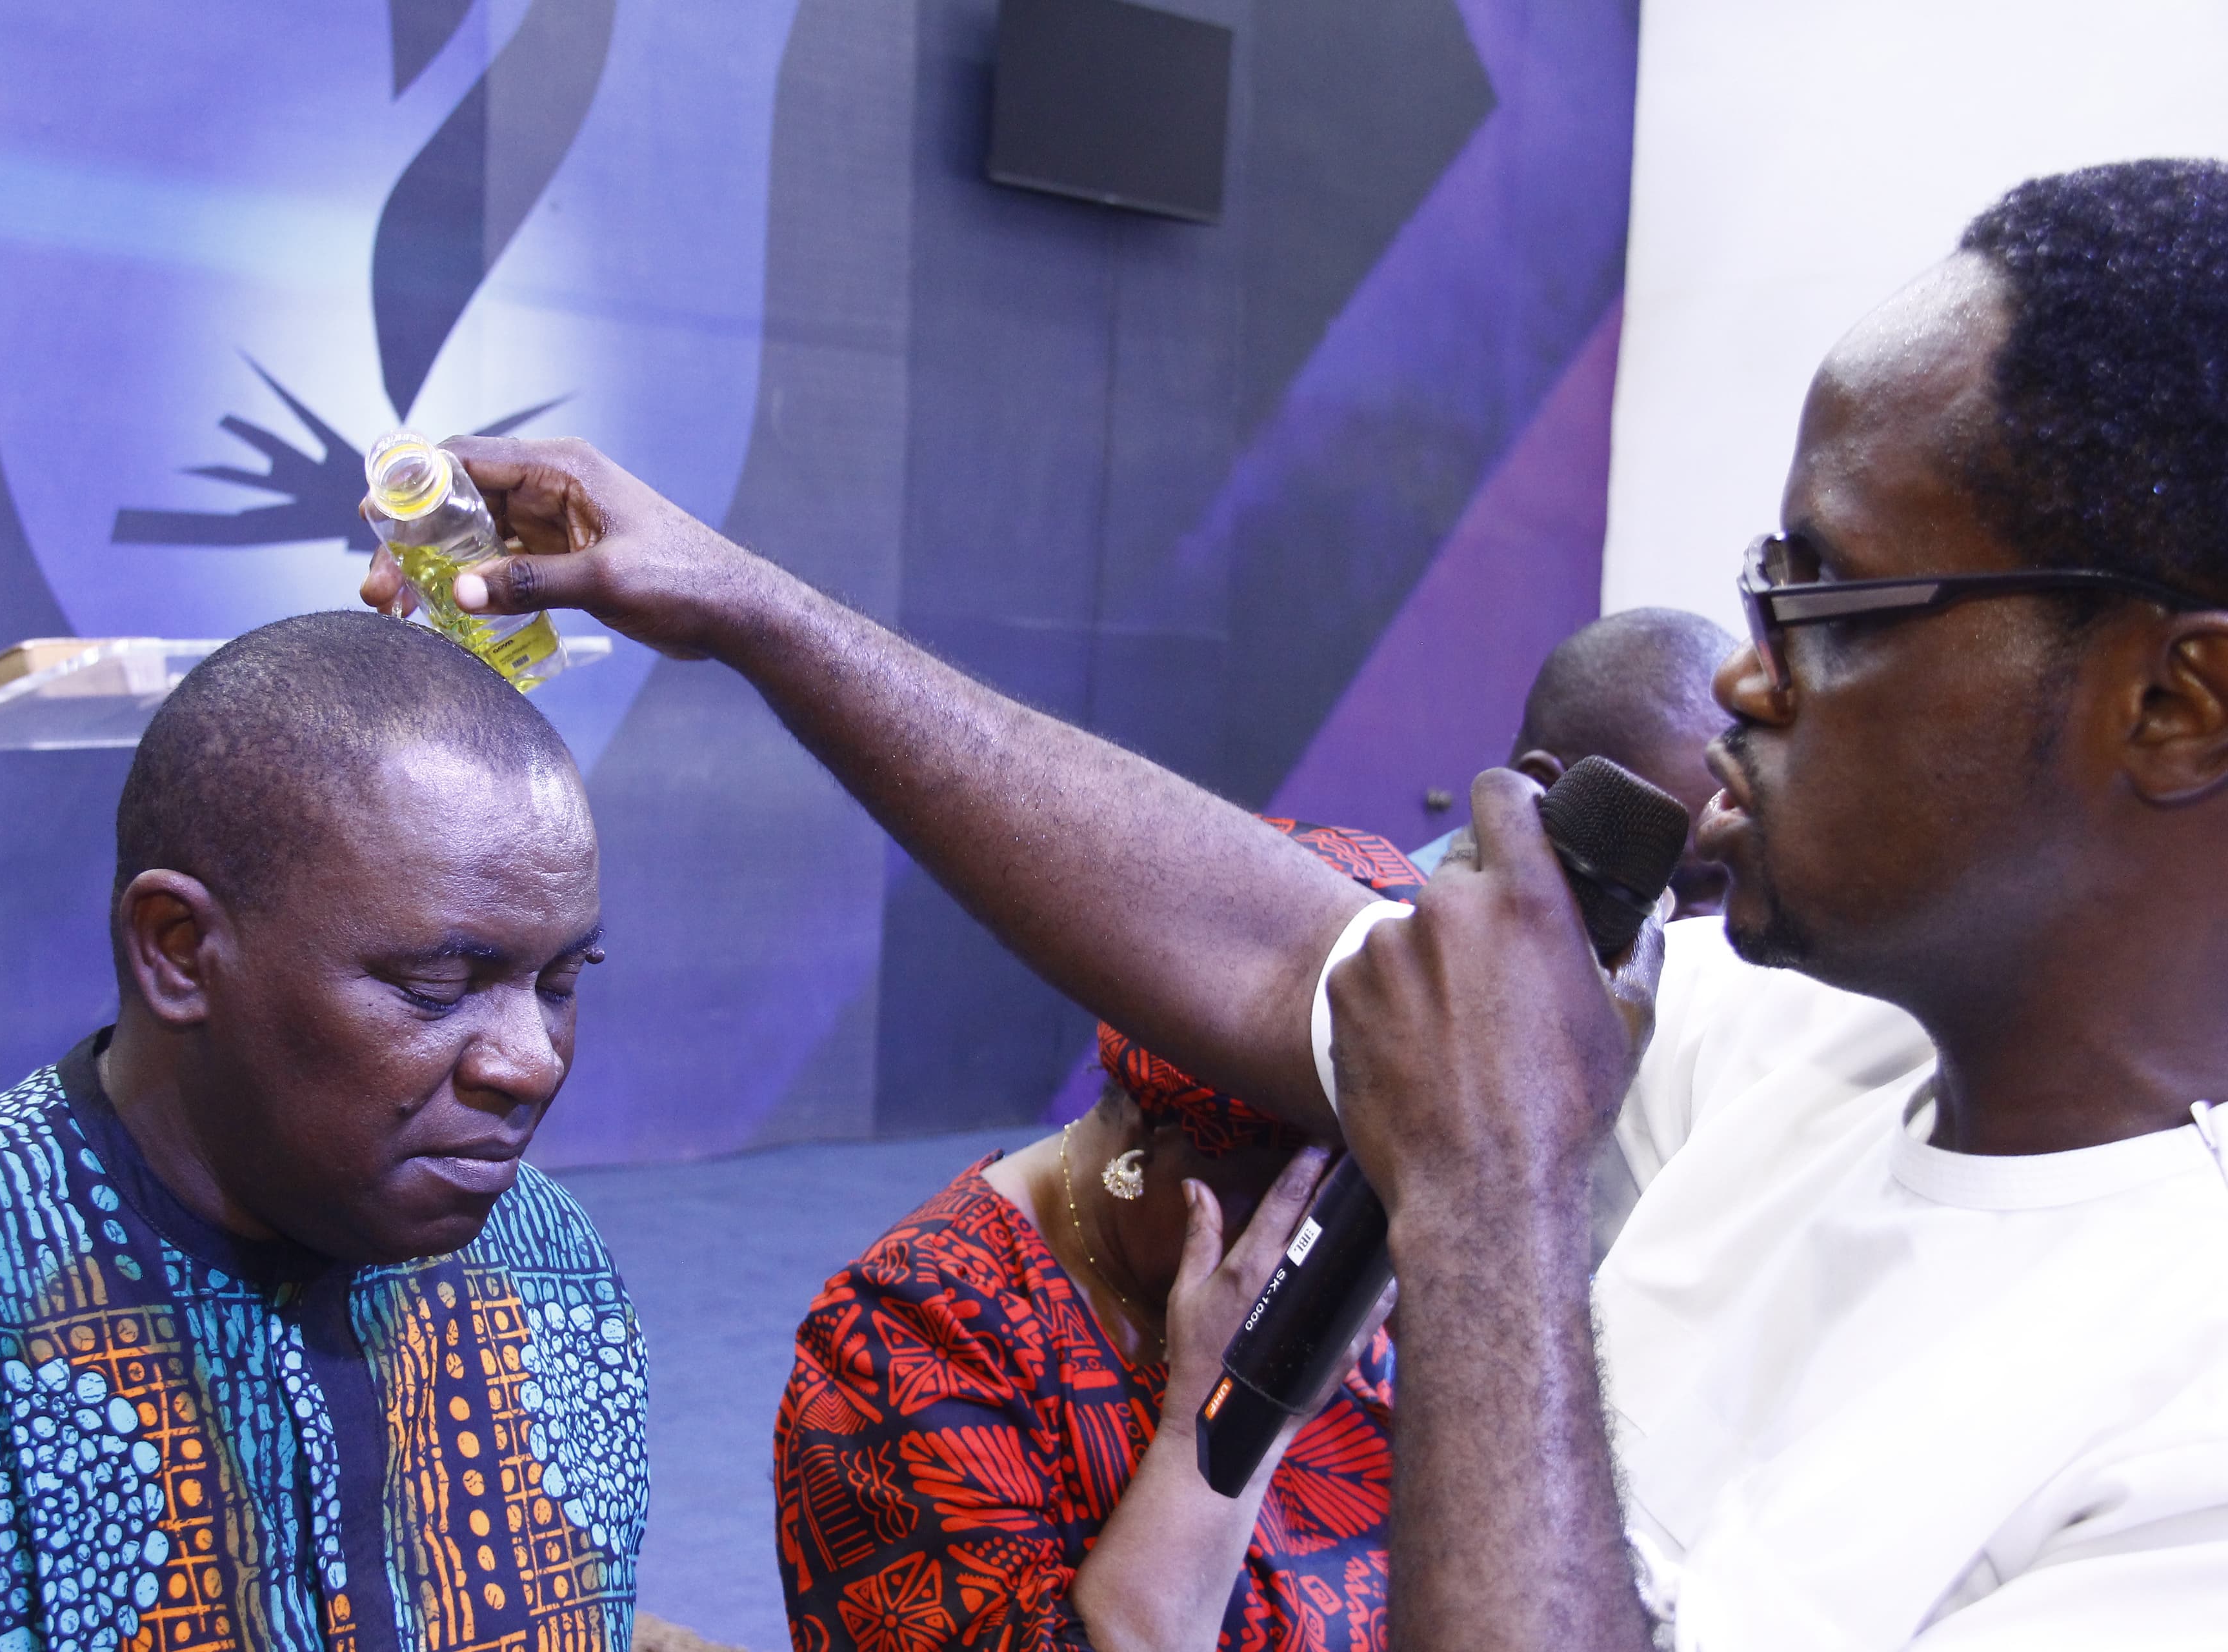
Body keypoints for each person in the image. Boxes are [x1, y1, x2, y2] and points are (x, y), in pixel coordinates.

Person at [365, 157, 2228, 1646]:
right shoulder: (1798, 1067)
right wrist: (744, 604)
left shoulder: (2180, 1442)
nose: (1750, 681)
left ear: (2171, 700)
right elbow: (1275, 948)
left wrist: (1487, 1205)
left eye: (1825, 601)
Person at [0, 613, 648, 1649]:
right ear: (177, 949)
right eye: (437, 985)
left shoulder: (555, 1267)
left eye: (562, 982)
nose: (532, 1060)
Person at [773, 823, 1416, 1652]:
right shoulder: (912, 1341)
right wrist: (1224, 1421)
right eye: (1306, 1188)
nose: (1343, 1231)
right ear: (1155, 1132)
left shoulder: (1348, 1268)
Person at [1409, 607, 1740, 921]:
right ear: (1538, 801)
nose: (1713, 936)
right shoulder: (1385, 951)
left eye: (1739, 887)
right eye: (1672, 889)